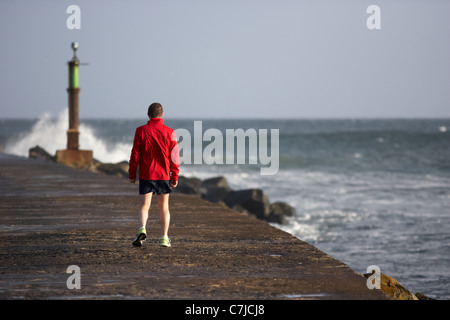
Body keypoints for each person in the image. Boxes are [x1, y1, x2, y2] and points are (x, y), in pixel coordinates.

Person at [129, 102, 179, 247]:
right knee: (164, 207)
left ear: (148, 115)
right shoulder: (170, 132)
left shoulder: (141, 131)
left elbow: (135, 154)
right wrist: (174, 175)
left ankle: (142, 229)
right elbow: (175, 156)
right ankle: (164, 237)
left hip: (146, 174)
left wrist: (132, 173)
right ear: (162, 115)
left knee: (144, 206)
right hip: (163, 175)